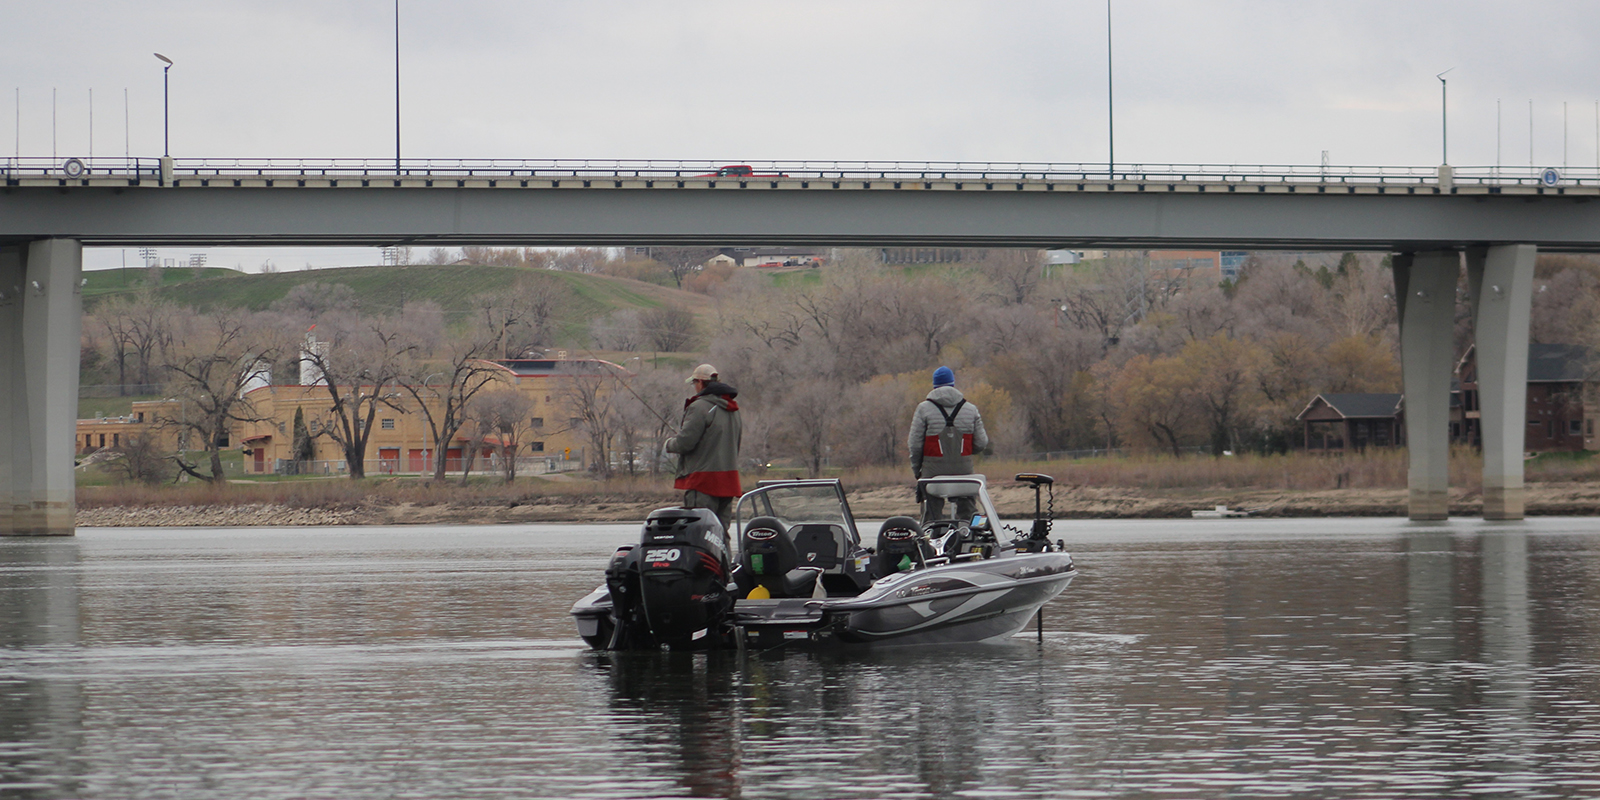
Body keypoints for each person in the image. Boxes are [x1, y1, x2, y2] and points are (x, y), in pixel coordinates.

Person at [665, 364, 743, 530]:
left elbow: (685, 442)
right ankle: (723, 557)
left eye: (694, 383)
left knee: (699, 530)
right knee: (721, 533)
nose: (694, 387)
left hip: (703, 482)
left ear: (700, 382)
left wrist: (669, 444)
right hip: (729, 481)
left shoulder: (699, 407)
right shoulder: (734, 410)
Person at [908, 366, 989, 521]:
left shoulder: (923, 409)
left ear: (934, 385)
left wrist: (918, 472)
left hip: (933, 475)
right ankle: (970, 536)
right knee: (970, 513)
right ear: (953, 384)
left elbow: (915, 445)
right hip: (964, 473)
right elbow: (982, 443)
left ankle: (931, 539)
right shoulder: (971, 409)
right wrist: (963, 452)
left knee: (930, 515)